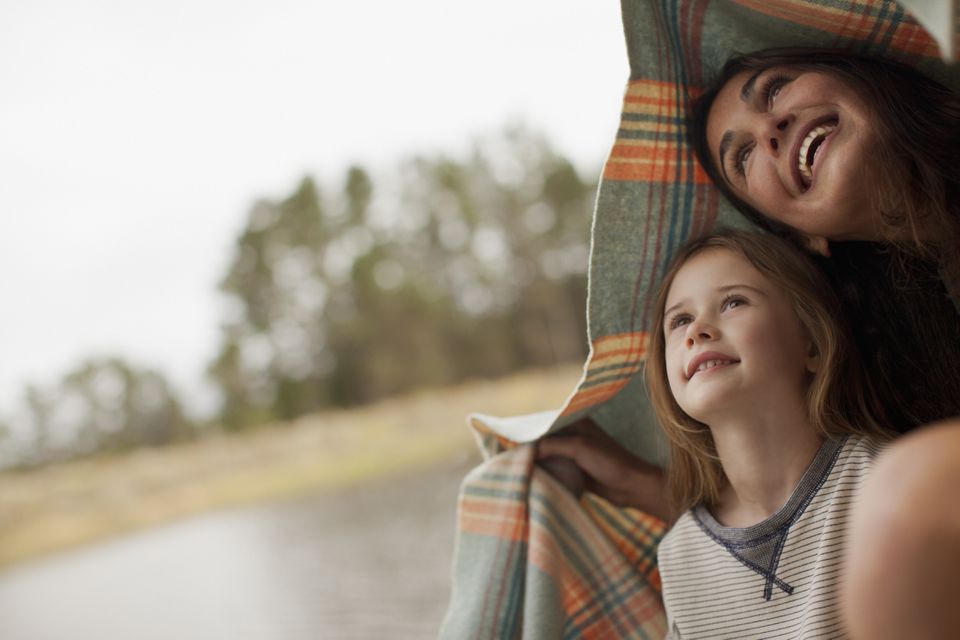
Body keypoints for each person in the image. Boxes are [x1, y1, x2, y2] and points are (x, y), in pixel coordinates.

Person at [601, 229, 891, 638]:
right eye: (679, 320)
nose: (696, 330)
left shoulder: (885, 481)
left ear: (811, 341)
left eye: (733, 302)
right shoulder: (679, 554)